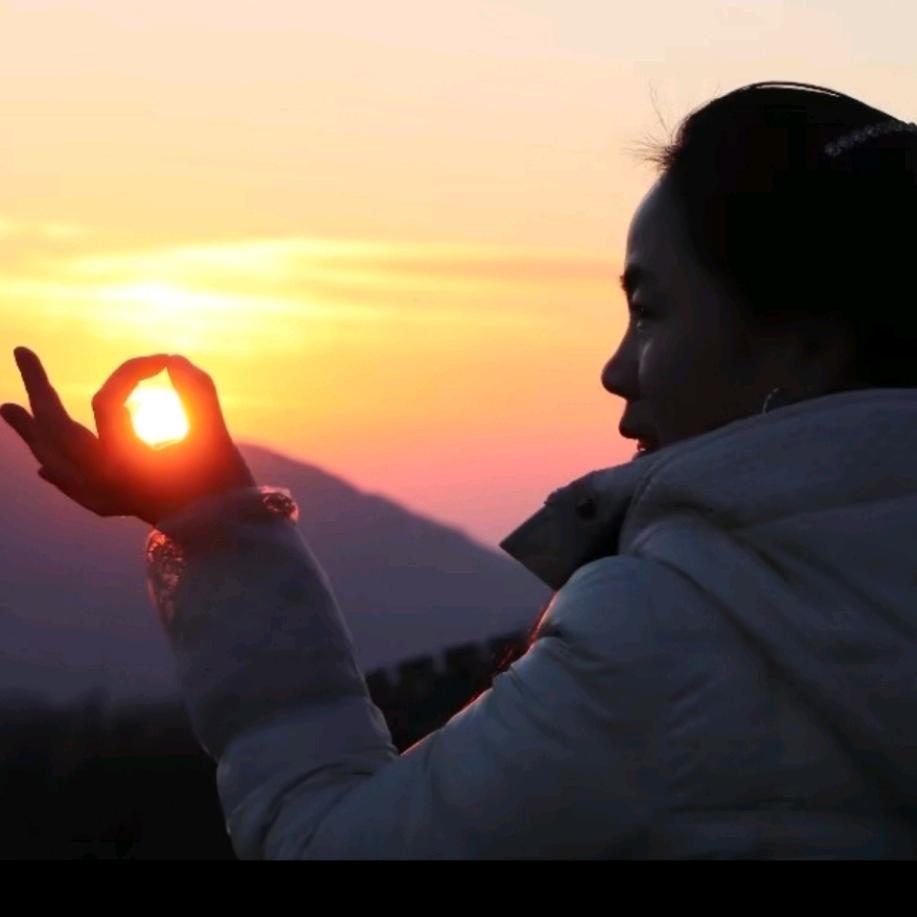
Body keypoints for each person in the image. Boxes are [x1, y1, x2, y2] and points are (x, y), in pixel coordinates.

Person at [3, 79, 917, 859]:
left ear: (803, 349)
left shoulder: (671, 640)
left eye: (649, 313)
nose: (615, 368)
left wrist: (219, 527)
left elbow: (325, 840)